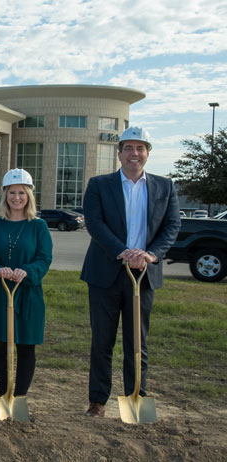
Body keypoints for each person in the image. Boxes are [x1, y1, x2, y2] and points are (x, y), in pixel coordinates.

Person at [80, 127, 180, 417]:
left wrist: (150, 255)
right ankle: (97, 401)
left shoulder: (165, 187)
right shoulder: (99, 184)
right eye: (129, 148)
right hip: (105, 273)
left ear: (148, 153)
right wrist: (123, 251)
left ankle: (136, 397)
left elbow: (171, 226)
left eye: (140, 148)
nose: (134, 154)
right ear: (119, 152)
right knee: (102, 341)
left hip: (143, 274)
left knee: (138, 341)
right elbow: (95, 223)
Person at [0, 169, 52, 399]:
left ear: (29, 195)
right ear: (5, 195)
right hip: (1, 292)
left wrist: (27, 271)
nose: (17, 197)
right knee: (0, 345)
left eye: (22, 192)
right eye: (12, 192)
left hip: (28, 294)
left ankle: (19, 398)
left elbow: (44, 257)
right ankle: (3, 396)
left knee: (26, 345)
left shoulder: (38, 226)